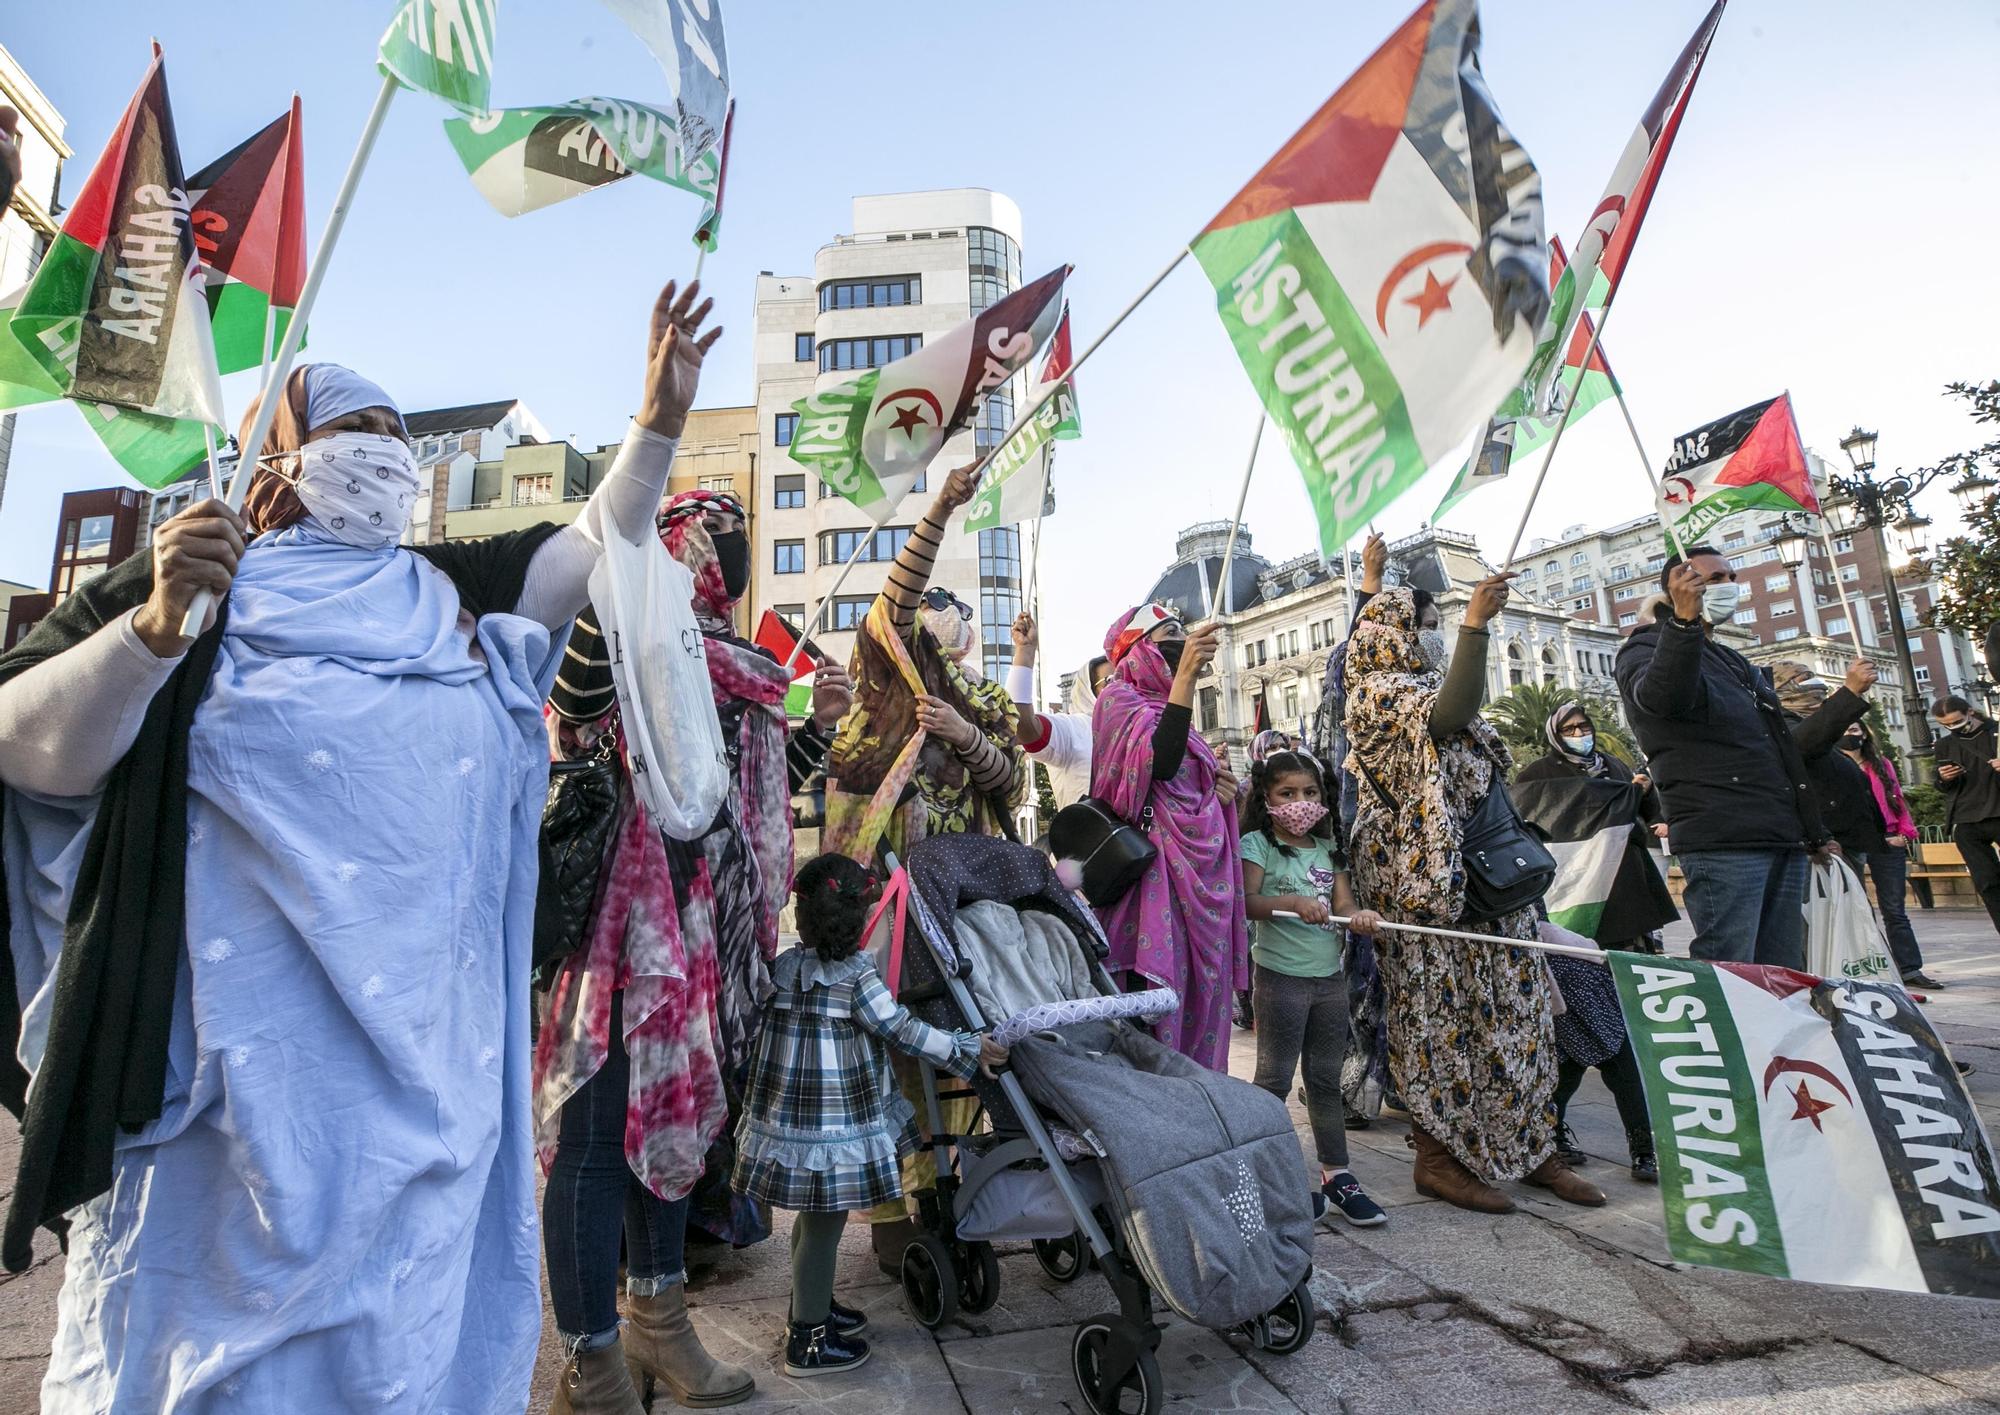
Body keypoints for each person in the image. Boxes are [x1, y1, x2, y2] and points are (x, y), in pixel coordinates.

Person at [0, 282, 720, 1410]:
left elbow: (592, 543)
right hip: (227, 1104)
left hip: (418, 1091)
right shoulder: (189, 574)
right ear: (276, 458)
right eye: (353, 432)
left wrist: (659, 423)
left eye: (396, 435)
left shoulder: (448, 591)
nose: (385, 454)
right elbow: (31, 750)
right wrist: (149, 636)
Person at [534, 487, 855, 1410]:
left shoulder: (749, 665)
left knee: (672, 1126)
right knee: (597, 1144)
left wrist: (817, 725)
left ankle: (660, 1329)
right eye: (713, 533)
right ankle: (590, 1364)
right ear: (669, 545)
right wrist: (625, 558)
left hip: (707, 925)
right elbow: (581, 696)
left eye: (738, 534)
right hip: (617, 931)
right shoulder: (625, 633)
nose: (732, 548)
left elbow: (740, 795)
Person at [821, 465, 1024, 1274]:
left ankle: (967, 1181)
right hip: (884, 918)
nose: (938, 620)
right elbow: (892, 599)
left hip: (963, 914)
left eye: (951, 616)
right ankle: (894, 1205)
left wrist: (968, 740)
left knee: (969, 1044)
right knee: (892, 1056)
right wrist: (940, 506)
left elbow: (1013, 781)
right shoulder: (872, 703)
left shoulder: (971, 699)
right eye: (925, 614)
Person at [1345, 580, 1602, 1214]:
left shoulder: (1424, 686)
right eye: (1428, 623)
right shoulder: (1376, 695)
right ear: (1390, 634)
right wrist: (1477, 628)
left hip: (1488, 878)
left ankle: (1531, 1145)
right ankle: (1439, 1159)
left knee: (1516, 1013)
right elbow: (1449, 715)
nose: (1434, 632)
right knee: (1439, 1022)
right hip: (1420, 885)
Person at [732, 854, 1003, 1378]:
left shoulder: (785, 967)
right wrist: (966, 1048)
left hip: (792, 1121)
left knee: (815, 1224)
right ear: (860, 920)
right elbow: (903, 1030)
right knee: (823, 1227)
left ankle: (810, 1306)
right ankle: (808, 1341)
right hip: (831, 1128)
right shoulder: (857, 978)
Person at [1615, 549, 1868, 968]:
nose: (1727, 585)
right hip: (1723, 835)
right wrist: (1682, 622)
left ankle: (1773, 1035)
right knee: (1730, 965)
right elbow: (1663, 700)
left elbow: (1780, 749)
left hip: (1778, 833)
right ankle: (1730, 1037)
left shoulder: (1733, 660)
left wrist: (1813, 831)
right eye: (1714, 578)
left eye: (1732, 576)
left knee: (1782, 967)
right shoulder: (1646, 645)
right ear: (1677, 585)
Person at [1089, 605, 1247, 1071]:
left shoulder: (1169, 707)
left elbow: (1185, 782)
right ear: (1138, 647)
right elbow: (1158, 765)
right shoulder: (1117, 700)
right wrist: (1186, 683)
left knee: (1201, 995)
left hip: (1200, 875)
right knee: (1156, 1003)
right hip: (1154, 879)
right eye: (1170, 632)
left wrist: (1222, 794)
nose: (1182, 639)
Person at [1238, 749, 1387, 1226]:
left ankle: (1337, 1176)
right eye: (1287, 793)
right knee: (1274, 1081)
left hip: (1328, 982)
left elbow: (1344, 905)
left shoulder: (1328, 850)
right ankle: (1264, 1177)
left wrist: (1362, 917)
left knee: (1325, 1081)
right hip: (1280, 980)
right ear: (1267, 797)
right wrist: (1294, 902)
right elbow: (1248, 902)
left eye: (1309, 793)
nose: (1299, 802)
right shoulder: (1256, 844)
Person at [1514, 701, 1678, 954]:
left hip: (1624, 869)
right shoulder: (1539, 773)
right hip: (1577, 871)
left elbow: (1639, 810)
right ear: (1555, 735)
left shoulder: (1614, 765)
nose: (1579, 734)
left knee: (1629, 945)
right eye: (1569, 730)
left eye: (1583, 726)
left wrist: (1642, 793)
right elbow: (1529, 813)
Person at [1835, 721, 1933, 986]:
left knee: (1894, 909)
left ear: (1865, 733)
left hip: (1888, 840)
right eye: (1845, 729)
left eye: (1854, 730)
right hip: (1853, 840)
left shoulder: (1880, 763)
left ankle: (1910, 968)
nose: (1849, 734)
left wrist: (1904, 833)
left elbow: (1897, 796)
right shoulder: (1831, 764)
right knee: (1859, 909)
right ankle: (1875, 968)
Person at [1006, 609, 1108, 812]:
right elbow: (1019, 723)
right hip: (1094, 842)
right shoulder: (1075, 729)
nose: (1123, 687)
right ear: (1088, 691)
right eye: (1111, 681)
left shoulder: (1150, 729)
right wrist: (1025, 653)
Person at [1933, 695, 2000, 935]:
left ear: (1970, 712)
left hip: (1997, 810)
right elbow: (1940, 786)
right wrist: (1944, 777)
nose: (1953, 728)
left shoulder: (1996, 732)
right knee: (1987, 883)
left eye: (1957, 722)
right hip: (1966, 819)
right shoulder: (1944, 745)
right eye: (1946, 725)